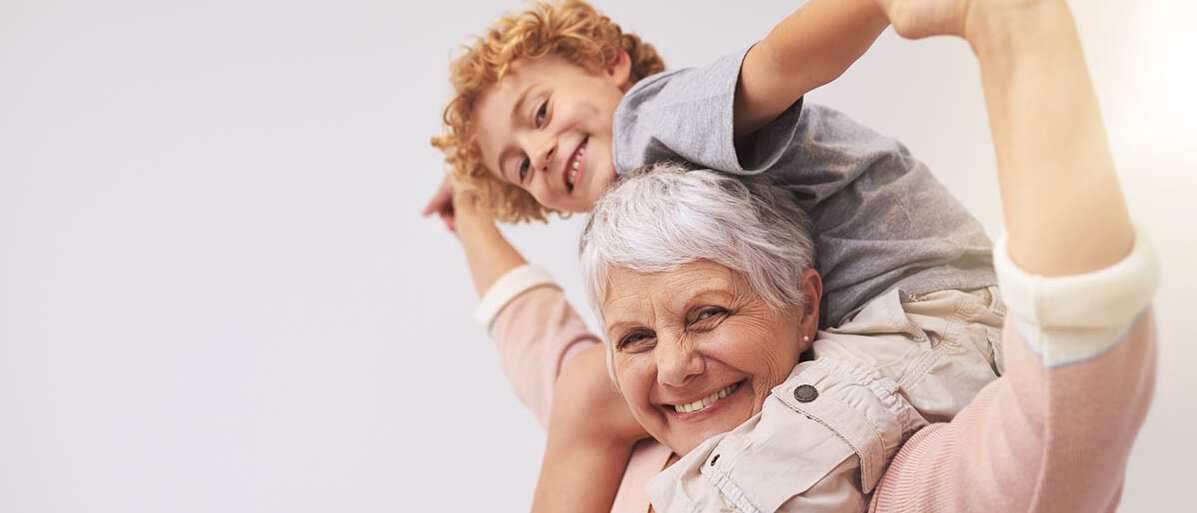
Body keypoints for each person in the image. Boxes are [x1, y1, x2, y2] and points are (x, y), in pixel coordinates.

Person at [575, 0, 1157, 510]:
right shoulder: (639, 448)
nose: (673, 367)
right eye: (635, 339)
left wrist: (1013, 30)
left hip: (940, 311)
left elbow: (1062, 410)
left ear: (808, 307)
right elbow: (537, 339)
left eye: (708, 314)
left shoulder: (874, 464)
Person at [427, 1, 1001, 511]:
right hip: (908, 315)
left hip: (926, 311)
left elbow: (780, 64)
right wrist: (471, 212)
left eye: (540, 113)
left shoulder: (655, 119)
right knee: (588, 387)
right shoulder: (652, 216)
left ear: (610, 63)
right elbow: (537, 343)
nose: (540, 154)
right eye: (521, 168)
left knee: (744, 480)